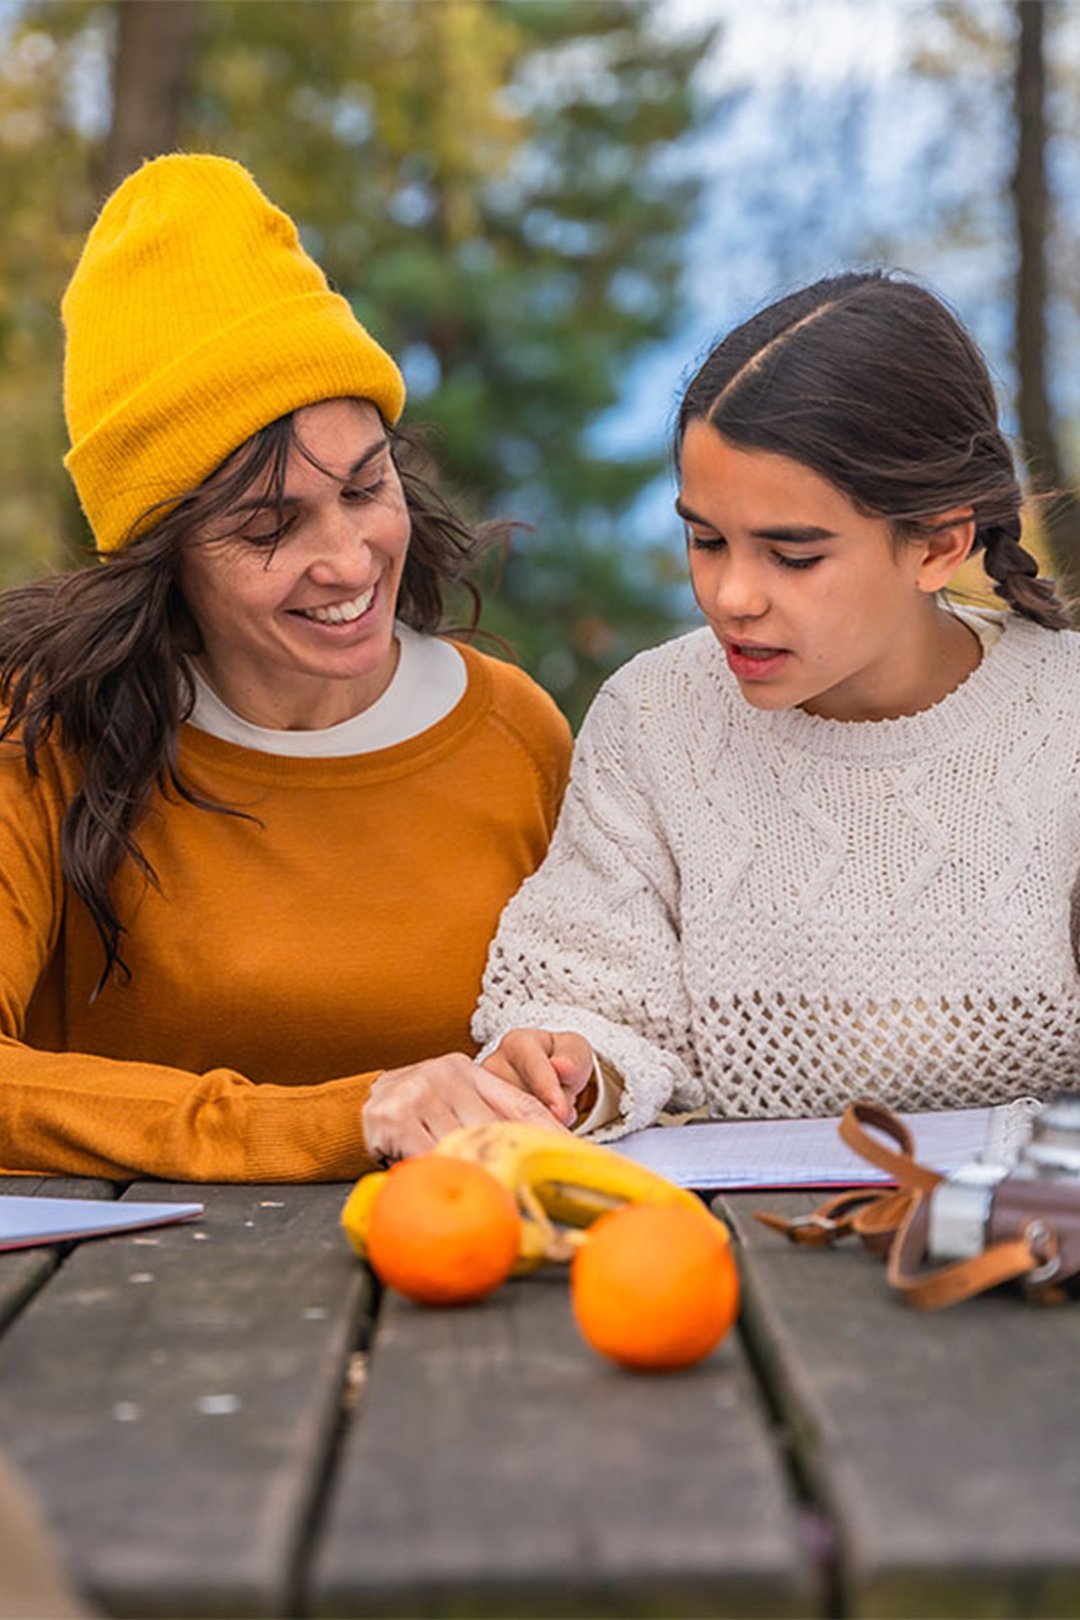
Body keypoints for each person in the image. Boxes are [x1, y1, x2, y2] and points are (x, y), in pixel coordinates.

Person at [0, 153, 573, 1182]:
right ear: (159, 554)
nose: (349, 563)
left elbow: (602, 1026)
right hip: (107, 1311)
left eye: (365, 489)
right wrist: (335, 1120)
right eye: (269, 526)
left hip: (484, 1291)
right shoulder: (39, 735)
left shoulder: (516, 735)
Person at [473, 270, 1080, 1138]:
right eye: (705, 540)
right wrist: (575, 1064)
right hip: (742, 1248)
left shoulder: (1066, 718)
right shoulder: (655, 719)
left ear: (939, 544)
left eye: (792, 556)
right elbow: (589, 997)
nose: (731, 596)